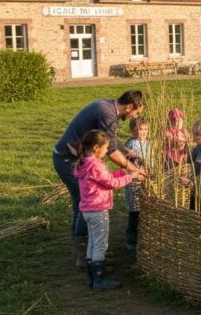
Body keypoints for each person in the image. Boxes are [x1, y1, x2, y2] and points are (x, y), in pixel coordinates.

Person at [53, 90, 144, 267]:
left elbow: (110, 139)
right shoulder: (107, 114)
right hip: (67, 158)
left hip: (72, 157)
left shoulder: (109, 108)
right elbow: (110, 151)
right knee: (83, 203)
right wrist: (131, 168)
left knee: (81, 204)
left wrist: (127, 151)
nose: (136, 115)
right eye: (137, 112)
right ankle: (83, 252)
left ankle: (91, 251)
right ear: (129, 107)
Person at [74, 130, 142, 290]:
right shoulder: (96, 164)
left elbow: (104, 178)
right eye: (105, 149)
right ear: (96, 147)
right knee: (100, 245)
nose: (107, 152)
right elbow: (111, 183)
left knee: (92, 242)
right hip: (98, 211)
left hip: (88, 211)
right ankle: (100, 280)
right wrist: (131, 177)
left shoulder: (85, 163)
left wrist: (122, 172)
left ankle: (92, 277)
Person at [123, 117, 150, 252]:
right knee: (134, 212)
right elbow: (128, 163)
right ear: (133, 130)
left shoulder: (147, 143)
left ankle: (140, 236)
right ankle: (131, 240)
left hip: (144, 181)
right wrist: (138, 171)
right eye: (140, 129)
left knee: (142, 210)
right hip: (133, 182)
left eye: (145, 129)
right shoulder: (131, 145)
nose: (143, 132)